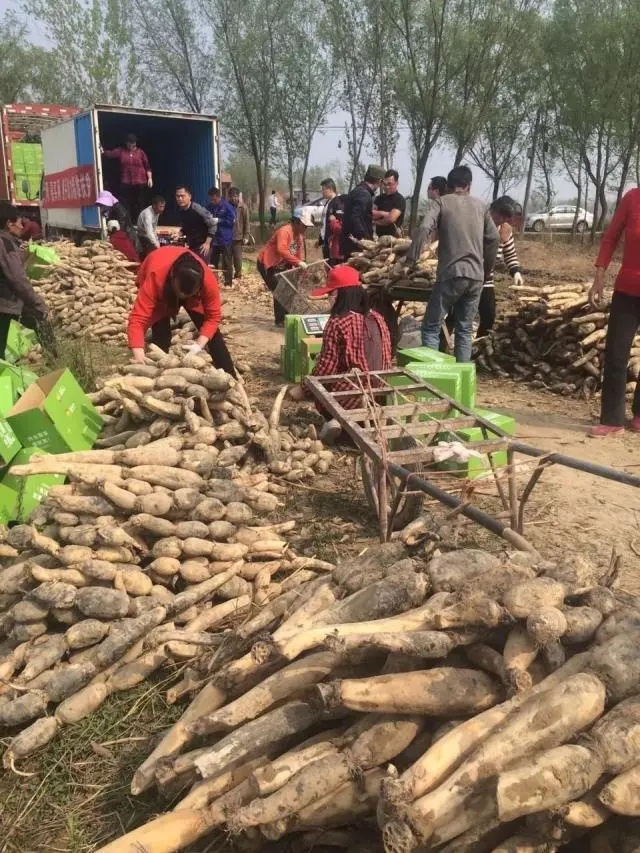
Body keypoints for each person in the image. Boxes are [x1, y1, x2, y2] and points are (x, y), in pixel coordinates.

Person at [290, 265, 392, 443]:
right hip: (380, 393)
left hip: (353, 396)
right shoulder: (378, 318)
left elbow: (325, 370)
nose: (329, 299)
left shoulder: (338, 322)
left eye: (331, 294)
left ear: (342, 294)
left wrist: (304, 388)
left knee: (321, 389)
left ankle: (342, 426)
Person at [408, 165, 499, 363]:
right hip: (475, 277)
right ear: (468, 185)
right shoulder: (481, 206)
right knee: (465, 330)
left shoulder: (442, 202)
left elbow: (424, 227)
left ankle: (430, 379)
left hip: (451, 274)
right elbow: (493, 238)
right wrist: (486, 268)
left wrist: (412, 257)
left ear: (450, 186)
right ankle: (462, 381)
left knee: (431, 326)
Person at [128, 245, 236, 377]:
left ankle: (230, 375)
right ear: (173, 277)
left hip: (186, 287)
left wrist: (200, 344)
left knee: (213, 336)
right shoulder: (155, 277)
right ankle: (159, 371)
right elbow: (138, 318)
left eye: (188, 294)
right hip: (160, 270)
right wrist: (138, 354)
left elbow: (213, 317)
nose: (182, 297)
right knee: (161, 330)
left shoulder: (208, 282)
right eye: (180, 293)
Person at [588, 187, 640, 437]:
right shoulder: (632, 198)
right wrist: (599, 275)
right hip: (627, 291)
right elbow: (610, 237)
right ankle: (612, 419)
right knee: (616, 355)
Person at [445, 195, 524, 341]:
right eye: (498, 216)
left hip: (486, 280)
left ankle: (478, 348)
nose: (500, 221)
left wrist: (516, 272)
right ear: (492, 211)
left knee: (488, 317)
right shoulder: (476, 224)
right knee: (456, 316)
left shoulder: (505, 231)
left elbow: (510, 255)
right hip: (466, 276)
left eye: (504, 219)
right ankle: (441, 346)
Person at [0, 202, 50, 360]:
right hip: (5, 303)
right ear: (9, 224)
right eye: (20, 222)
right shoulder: (5, 244)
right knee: (41, 319)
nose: (22, 227)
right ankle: (56, 359)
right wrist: (39, 304)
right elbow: (18, 279)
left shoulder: (7, 242)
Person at [257, 207, 311, 326]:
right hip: (268, 264)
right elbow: (281, 250)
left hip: (282, 265)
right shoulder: (285, 231)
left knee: (290, 288)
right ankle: (280, 320)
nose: (306, 228)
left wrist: (300, 266)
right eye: (304, 225)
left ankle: (288, 317)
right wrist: (298, 263)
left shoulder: (299, 236)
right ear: (296, 222)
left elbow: (298, 253)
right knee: (280, 288)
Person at [102, 133, 152, 221]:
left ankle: (140, 222)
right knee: (126, 203)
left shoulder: (140, 153)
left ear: (135, 143)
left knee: (140, 202)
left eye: (132, 143)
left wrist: (150, 178)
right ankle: (128, 222)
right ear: (126, 143)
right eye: (129, 143)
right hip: (126, 182)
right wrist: (102, 151)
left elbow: (147, 166)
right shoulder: (121, 151)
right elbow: (110, 154)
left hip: (140, 182)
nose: (130, 145)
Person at [341, 164, 386, 259]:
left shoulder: (356, 191)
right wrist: (364, 239)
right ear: (379, 181)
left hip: (349, 243)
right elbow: (356, 217)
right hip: (356, 246)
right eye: (382, 183)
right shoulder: (364, 194)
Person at [175, 185, 218, 261]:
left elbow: (213, 224)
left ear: (189, 196)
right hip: (192, 245)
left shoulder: (197, 209)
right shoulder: (181, 211)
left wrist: (207, 243)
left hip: (203, 246)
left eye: (182, 196)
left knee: (200, 269)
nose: (180, 199)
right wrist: (179, 234)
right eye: (178, 196)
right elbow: (187, 227)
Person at [207, 186, 236, 288]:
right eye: (211, 199)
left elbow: (231, 222)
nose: (212, 201)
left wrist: (219, 220)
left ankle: (228, 283)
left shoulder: (228, 207)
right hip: (215, 239)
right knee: (213, 261)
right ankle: (213, 282)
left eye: (214, 199)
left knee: (227, 261)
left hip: (225, 238)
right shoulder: (210, 206)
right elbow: (206, 215)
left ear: (218, 196)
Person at [373, 169, 406, 238]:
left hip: (394, 240)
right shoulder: (379, 199)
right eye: (384, 184)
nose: (386, 187)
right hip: (378, 237)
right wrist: (383, 213)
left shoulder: (400, 200)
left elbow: (391, 219)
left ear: (397, 183)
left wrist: (375, 222)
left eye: (389, 184)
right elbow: (372, 214)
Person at [229, 187, 250, 280]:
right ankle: (228, 276)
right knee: (227, 258)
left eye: (235, 196)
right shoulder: (226, 206)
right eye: (231, 196)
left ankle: (238, 275)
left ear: (238, 197)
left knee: (238, 258)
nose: (234, 198)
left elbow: (247, 223)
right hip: (227, 237)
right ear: (229, 197)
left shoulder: (243, 207)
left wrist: (246, 236)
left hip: (238, 237)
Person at [319, 178, 338, 259]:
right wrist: (320, 238)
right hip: (325, 240)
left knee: (331, 265)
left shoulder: (337, 202)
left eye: (323, 189)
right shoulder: (328, 202)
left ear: (330, 189)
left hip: (331, 242)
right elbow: (324, 222)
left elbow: (338, 224)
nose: (322, 192)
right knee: (326, 263)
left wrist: (332, 239)